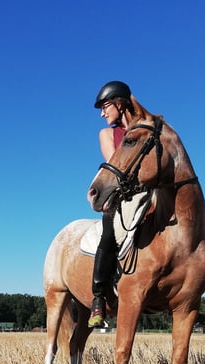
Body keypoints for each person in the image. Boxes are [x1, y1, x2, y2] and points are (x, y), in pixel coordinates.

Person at [88, 80, 135, 328]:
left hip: (149, 191)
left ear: (120, 103)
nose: (102, 112)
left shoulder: (144, 129)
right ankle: (98, 297)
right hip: (123, 193)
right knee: (109, 232)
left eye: (105, 106)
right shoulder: (107, 134)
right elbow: (115, 163)